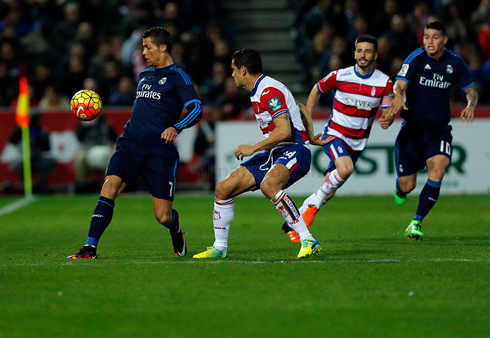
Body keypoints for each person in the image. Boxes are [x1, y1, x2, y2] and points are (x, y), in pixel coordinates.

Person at [67, 26, 203, 259]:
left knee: (162, 216)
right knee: (109, 187)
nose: (143, 52)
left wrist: (176, 127)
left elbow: (196, 108)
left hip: (158, 151)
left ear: (163, 47)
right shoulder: (144, 75)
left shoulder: (178, 77)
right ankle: (90, 248)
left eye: (148, 47)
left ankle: (175, 228)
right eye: (143, 47)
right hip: (130, 144)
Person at [193, 49, 328, 260]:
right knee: (223, 188)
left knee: (269, 185)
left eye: (233, 70)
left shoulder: (268, 91)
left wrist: (253, 147)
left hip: (294, 151)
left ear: (243, 70)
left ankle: (307, 239)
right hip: (276, 152)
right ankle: (220, 247)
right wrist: (310, 135)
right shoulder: (259, 89)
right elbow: (299, 106)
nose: (232, 75)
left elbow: (283, 131)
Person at [281, 34, 395, 242]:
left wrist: (388, 117)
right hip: (335, 134)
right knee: (346, 169)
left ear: (375, 55)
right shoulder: (340, 76)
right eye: (359, 51)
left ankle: (295, 220)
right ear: (354, 53)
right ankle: (311, 210)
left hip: (357, 144)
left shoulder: (384, 82)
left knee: (330, 188)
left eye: (367, 51)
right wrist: (308, 120)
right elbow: (317, 89)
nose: (363, 55)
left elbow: (387, 108)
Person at [389, 22, 477, 241]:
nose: (429, 41)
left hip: (439, 130)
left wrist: (471, 105)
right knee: (407, 186)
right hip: (413, 131)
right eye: (426, 37)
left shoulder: (455, 62)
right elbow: (399, 84)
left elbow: (471, 91)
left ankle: (416, 222)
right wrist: (398, 95)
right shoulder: (416, 58)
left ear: (444, 40)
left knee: (438, 170)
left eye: (435, 37)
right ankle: (400, 190)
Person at [8, 112, 56, 194]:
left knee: (50, 162)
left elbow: (47, 149)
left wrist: (43, 137)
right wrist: (20, 129)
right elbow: (12, 141)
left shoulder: (41, 131)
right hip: (23, 159)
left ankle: (42, 184)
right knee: (17, 164)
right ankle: (23, 184)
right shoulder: (21, 129)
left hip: (37, 160)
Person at [75, 114, 118, 188]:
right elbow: (80, 137)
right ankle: (81, 185)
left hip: (105, 151)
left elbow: (114, 138)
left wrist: (108, 126)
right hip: (88, 152)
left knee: (117, 158)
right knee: (80, 158)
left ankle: (114, 185)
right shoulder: (84, 125)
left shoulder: (105, 125)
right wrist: (88, 125)